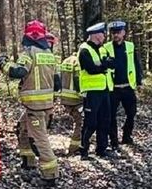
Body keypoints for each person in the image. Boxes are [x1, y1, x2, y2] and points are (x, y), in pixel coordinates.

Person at [7, 20, 61, 185]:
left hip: (35, 106)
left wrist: (2, 63)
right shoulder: (49, 54)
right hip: (46, 105)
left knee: (39, 140)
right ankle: (28, 160)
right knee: (22, 129)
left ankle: (50, 174)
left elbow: (18, 72)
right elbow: (57, 83)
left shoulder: (29, 53)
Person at [78, 21, 114, 159]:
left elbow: (111, 63)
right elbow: (91, 69)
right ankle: (84, 150)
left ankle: (101, 149)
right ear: (96, 35)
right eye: (103, 34)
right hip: (91, 91)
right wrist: (104, 65)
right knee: (90, 122)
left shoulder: (103, 49)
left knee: (105, 121)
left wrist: (103, 64)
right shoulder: (84, 49)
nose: (104, 37)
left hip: (105, 90)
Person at [106, 19, 143, 147]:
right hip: (113, 88)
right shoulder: (106, 47)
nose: (115, 35)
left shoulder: (130, 46)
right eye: (113, 33)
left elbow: (136, 64)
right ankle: (114, 141)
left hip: (128, 87)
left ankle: (126, 136)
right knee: (111, 116)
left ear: (124, 33)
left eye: (118, 32)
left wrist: (139, 80)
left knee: (131, 114)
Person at [59, 47, 83, 147]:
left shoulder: (65, 61)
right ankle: (75, 147)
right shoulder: (78, 62)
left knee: (76, 121)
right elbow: (78, 80)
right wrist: (83, 94)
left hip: (65, 97)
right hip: (76, 98)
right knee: (80, 123)